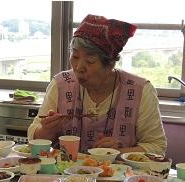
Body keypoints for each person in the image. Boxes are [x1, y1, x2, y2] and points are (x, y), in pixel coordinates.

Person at [28, 14, 167, 155]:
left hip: (121, 175)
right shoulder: (62, 84)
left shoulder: (139, 90)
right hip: (64, 173)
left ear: (110, 64)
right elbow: (34, 138)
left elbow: (156, 147)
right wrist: (48, 130)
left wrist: (119, 152)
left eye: (89, 61)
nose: (79, 67)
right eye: (75, 57)